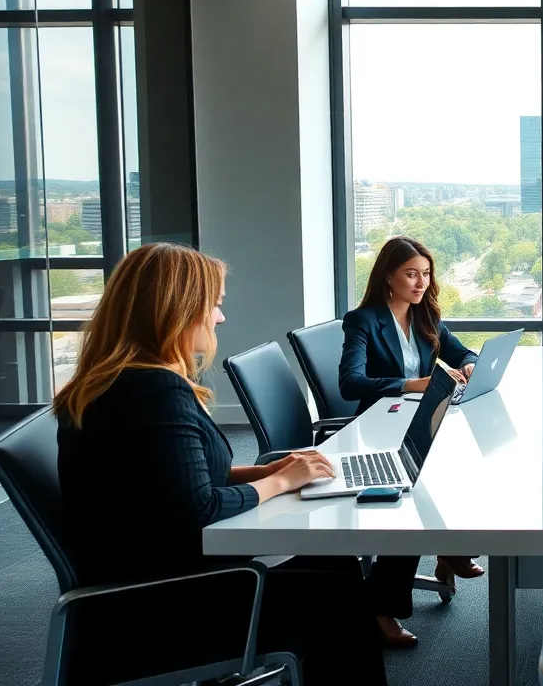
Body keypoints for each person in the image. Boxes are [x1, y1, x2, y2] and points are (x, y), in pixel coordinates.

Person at [56, 243, 388, 685]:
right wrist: (282, 481)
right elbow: (199, 511)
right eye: (214, 305)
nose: (220, 318)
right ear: (178, 309)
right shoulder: (153, 392)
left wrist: (272, 471)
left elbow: (175, 482)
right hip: (160, 605)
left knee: (334, 560)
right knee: (339, 594)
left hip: (144, 577)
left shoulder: (119, 382)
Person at [340, 236, 485, 596]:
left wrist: (468, 364)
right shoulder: (363, 321)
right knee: (416, 493)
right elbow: (350, 383)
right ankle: (386, 603)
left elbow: (464, 352)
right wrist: (410, 384)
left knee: (465, 462)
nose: (421, 283)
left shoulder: (427, 316)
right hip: (377, 428)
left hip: (416, 420)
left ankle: (449, 549)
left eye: (426, 274)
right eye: (411, 274)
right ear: (388, 277)